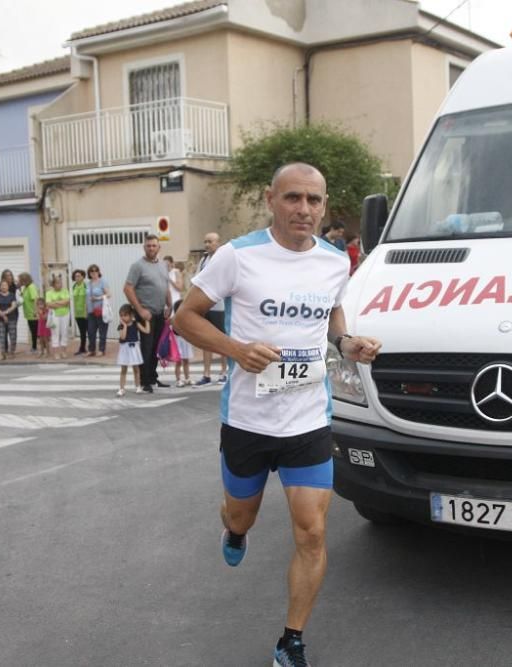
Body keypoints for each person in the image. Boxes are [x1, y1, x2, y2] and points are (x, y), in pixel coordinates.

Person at [175, 163, 382, 667]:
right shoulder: (238, 256)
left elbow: (332, 313)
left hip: (308, 421)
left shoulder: (336, 262)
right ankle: (236, 528)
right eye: (293, 198)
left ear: (325, 205)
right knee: (242, 512)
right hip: (247, 422)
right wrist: (236, 349)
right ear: (271, 199)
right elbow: (185, 317)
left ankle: (291, 640)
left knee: (311, 531)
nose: (303, 210)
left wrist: (345, 341)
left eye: (314, 200)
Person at [123, 235, 171, 393]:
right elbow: (128, 289)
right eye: (148, 246)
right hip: (146, 314)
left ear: (159, 248)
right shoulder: (137, 266)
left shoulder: (163, 265)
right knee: (146, 347)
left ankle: (152, 377)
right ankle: (144, 381)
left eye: (154, 246)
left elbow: (165, 286)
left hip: (160, 313)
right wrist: (140, 310)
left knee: (157, 347)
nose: (151, 248)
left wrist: (169, 305)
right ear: (144, 247)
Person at [192, 233, 228, 387]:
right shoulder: (203, 260)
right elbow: (197, 281)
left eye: (210, 241)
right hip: (206, 307)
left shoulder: (224, 260)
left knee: (223, 341)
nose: (207, 244)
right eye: (205, 241)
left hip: (221, 307)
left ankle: (224, 372)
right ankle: (206, 375)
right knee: (206, 341)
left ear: (218, 243)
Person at [115, 304, 150, 397]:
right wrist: (125, 326)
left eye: (125, 315)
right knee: (123, 369)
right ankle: (122, 388)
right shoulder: (121, 326)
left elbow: (147, 331)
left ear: (131, 315)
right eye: (121, 315)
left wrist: (147, 320)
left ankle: (138, 386)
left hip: (134, 348)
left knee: (136, 369)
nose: (123, 317)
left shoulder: (136, 324)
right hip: (125, 348)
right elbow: (123, 337)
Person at [86, 264, 110, 357]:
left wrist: (98, 298)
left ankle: (101, 349)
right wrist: (86, 310)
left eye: (96, 270)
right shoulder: (88, 283)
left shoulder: (102, 282)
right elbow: (87, 298)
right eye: (92, 271)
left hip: (101, 310)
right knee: (91, 332)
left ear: (98, 272)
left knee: (102, 331)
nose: (94, 272)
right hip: (91, 311)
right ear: (89, 273)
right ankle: (91, 350)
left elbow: (109, 294)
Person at [45, 275, 71, 360]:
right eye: (58, 283)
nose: (60, 284)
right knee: (55, 333)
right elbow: (48, 304)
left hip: (65, 314)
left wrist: (55, 303)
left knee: (64, 332)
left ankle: (63, 351)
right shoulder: (49, 293)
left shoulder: (65, 291)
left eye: (60, 282)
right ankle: (56, 353)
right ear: (53, 284)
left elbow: (67, 302)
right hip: (54, 316)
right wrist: (61, 303)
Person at [0, 279, 19, 360]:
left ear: (8, 287)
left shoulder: (12, 295)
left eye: (5, 285)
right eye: (2, 285)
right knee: (2, 336)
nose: (4, 287)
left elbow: (14, 305)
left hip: (12, 318)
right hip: (0, 319)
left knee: (13, 336)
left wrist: (6, 312)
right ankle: (3, 353)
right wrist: (2, 314)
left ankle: (12, 352)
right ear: (0, 287)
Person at [171, 299, 193, 387]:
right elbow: (174, 330)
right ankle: (178, 379)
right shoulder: (174, 319)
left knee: (186, 360)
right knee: (178, 361)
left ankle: (187, 378)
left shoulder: (187, 318)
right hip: (178, 341)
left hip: (185, 340)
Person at [71, 269, 89, 356]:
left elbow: (87, 299)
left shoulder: (85, 285)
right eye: (75, 276)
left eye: (79, 276)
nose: (77, 278)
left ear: (83, 277)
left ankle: (87, 348)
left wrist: (86, 312)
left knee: (88, 331)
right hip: (77, 313)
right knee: (82, 331)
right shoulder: (74, 286)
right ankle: (82, 348)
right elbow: (74, 300)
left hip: (85, 312)